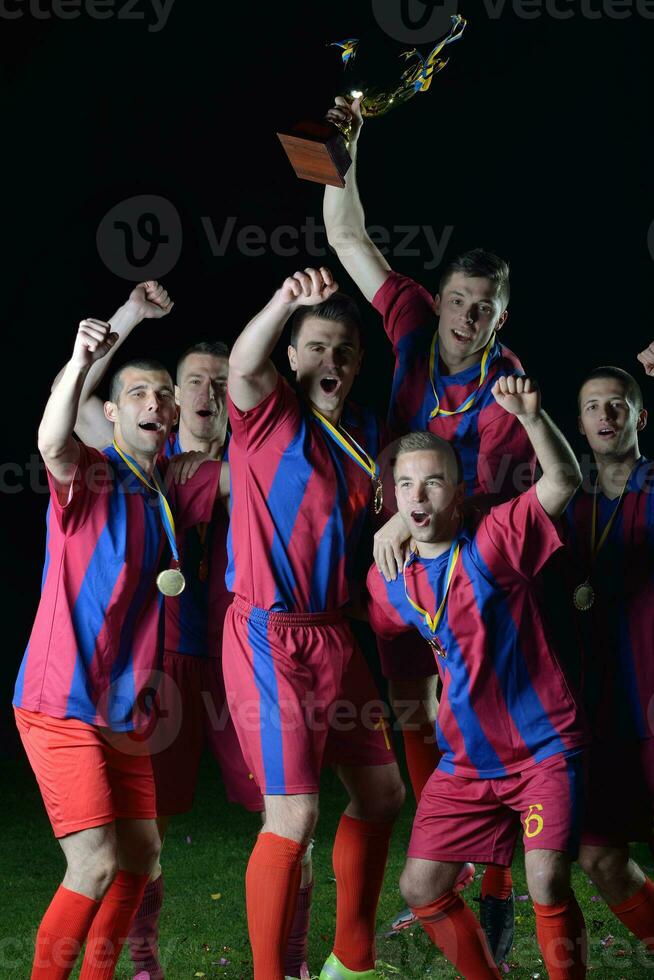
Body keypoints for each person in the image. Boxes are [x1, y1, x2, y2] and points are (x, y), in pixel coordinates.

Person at [322, 96, 536, 954]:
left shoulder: (508, 387)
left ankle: (493, 881)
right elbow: (347, 238)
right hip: (393, 560)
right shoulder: (410, 321)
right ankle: (450, 862)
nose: (465, 317)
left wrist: (415, 531)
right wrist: (350, 147)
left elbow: (494, 507)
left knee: (466, 713)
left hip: (467, 569)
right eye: (458, 299)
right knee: (411, 709)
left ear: (501, 316)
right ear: (440, 297)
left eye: (484, 307)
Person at [14, 313, 227, 979]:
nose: (155, 402)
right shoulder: (90, 475)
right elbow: (51, 438)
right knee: (96, 862)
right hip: (60, 702)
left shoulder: (175, 482)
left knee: (141, 858)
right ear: (108, 413)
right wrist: (80, 360)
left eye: (163, 394)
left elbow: (250, 479)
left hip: (126, 711)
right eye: (137, 393)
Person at [67, 298, 273, 978]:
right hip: (161, 663)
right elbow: (82, 398)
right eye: (195, 381)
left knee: (285, 807)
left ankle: (292, 959)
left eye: (223, 380)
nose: (210, 391)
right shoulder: (146, 460)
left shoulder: (253, 458)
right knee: (143, 831)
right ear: (171, 401)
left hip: (248, 658)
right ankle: (145, 959)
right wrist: (123, 318)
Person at [366, 376, 589, 980]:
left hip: (541, 748)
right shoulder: (387, 576)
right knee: (420, 888)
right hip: (465, 763)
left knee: (545, 879)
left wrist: (533, 419)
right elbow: (392, 639)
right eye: (405, 484)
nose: (419, 495)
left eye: (433, 481)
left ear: (458, 491)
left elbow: (563, 482)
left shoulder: (495, 539)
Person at [225, 265, 405, 980]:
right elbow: (243, 364)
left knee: (384, 794)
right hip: (271, 635)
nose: (332, 361)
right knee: (293, 819)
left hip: (336, 631)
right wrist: (283, 300)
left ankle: (349, 961)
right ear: (292, 357)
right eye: (318, 347)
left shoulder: (361, 435)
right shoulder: (269, 413)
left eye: (345, 352)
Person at [561, 356, 654, 953]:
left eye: (618, 402)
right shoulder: (570, 499)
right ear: (578, 421)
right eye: (593, 405)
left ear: (640, 414)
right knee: (597, 855)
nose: (606, 413)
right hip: (599, 708)